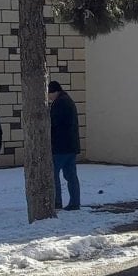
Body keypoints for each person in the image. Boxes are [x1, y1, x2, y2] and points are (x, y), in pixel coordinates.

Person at [47, 80, 81, 210]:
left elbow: (54, 123)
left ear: (54, 92)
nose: (49, 97)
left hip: (60, 146)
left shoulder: (60, 103)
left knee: (54, 174)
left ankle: (57, 201)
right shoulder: (68, 100)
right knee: (71, 175)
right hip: (71, 145)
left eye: (49, 94)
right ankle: (75, 202)